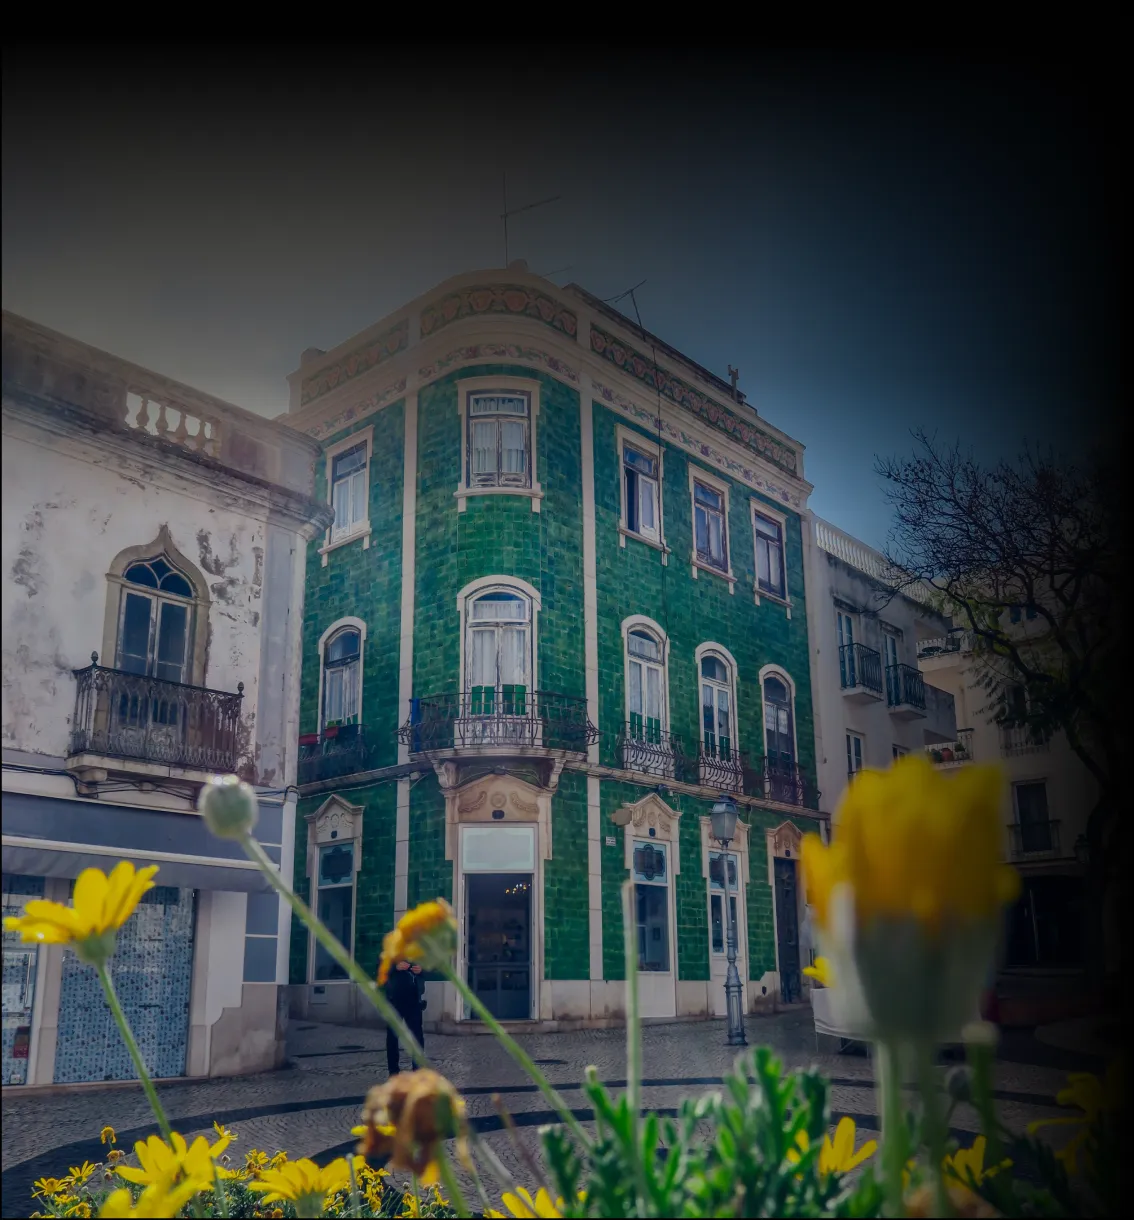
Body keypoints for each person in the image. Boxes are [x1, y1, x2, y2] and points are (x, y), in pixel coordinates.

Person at [383, 958, 426, 1077]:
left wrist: (421, 970)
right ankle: (393, 1071)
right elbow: (380, 968)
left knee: (417, 1036)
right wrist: (395, 968)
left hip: (413, 999)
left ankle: (418, 1070)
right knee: (392, 1036)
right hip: (394, 999)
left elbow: (428, 966)